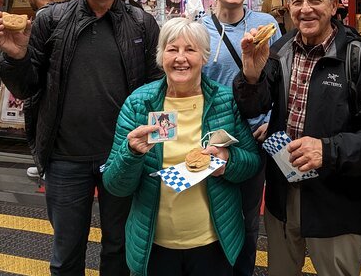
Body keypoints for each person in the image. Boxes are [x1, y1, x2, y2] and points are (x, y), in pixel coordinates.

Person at [0, 0, 163, 275]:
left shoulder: (142, 23)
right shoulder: (50, 20)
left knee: (120, 247)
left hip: (123, 157)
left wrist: (155, 150)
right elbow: (26, 87)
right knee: (67, 251)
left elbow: (157, 91)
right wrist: (15, 57)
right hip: (65, 159)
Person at [233, 0, 361, 276]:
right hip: (283, 195)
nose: (305, 8)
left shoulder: (356, 58)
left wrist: (328, 150)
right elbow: (253, 107)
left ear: (334, 5)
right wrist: (251, 75)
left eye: (314, 0)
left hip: (335, 200)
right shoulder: (280, 51)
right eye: (297, 1)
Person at [103, 18, 262, 276]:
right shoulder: (140, 104)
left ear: (204, 56)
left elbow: (252, 163)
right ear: (160, 56)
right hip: (154, 245)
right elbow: (115, 185)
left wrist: (227, 162)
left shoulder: (224, 100)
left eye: (190, 49)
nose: (180, 58)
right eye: (172, 49)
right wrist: (131, 153)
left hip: (214, 243)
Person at [201, 0, 280, 276]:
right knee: (210, 214)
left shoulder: (267, 26)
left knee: (248, 220)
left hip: (253, 138)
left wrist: (271, 118)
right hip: (211, 138)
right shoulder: (198, 29)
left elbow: (279, 79)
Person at [21, 0, 52, 179]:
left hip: (43, 82)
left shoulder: (40, 18)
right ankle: (44, 166)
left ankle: (45, 167)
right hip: (55, 80)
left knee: (40, 124)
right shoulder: (60, 12)